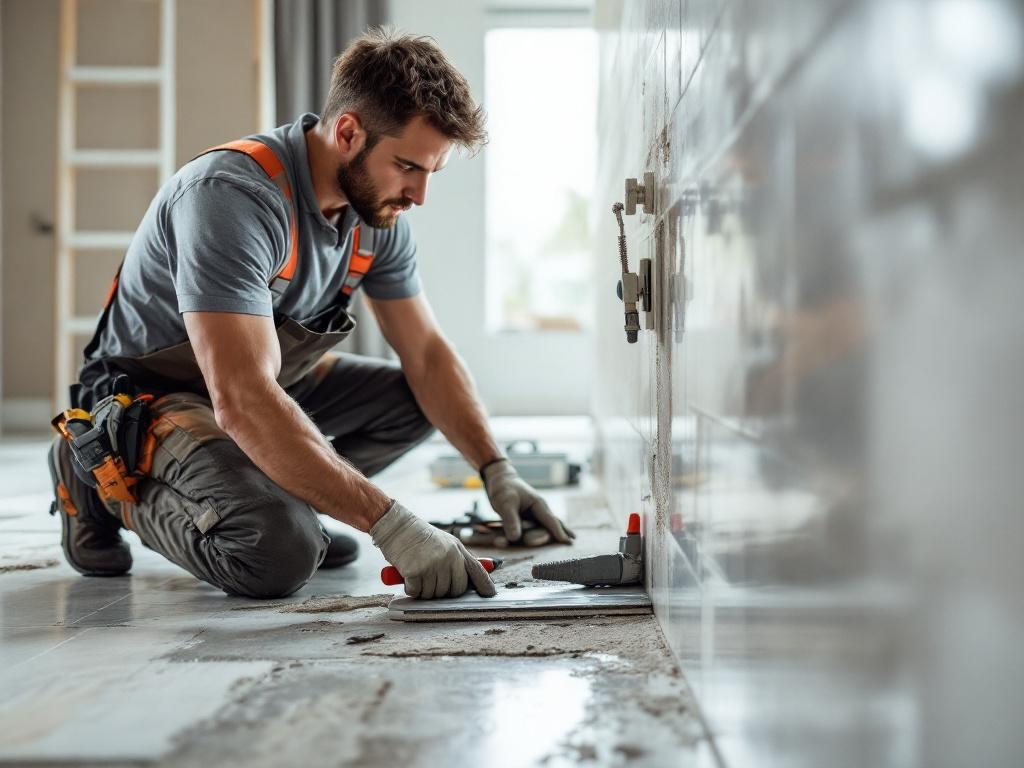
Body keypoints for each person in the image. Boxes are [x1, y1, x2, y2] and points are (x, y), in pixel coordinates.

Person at [47, 28, 574, 601]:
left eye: (430, 173)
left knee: (414, 402)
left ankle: (281, 492)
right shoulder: (232, 197)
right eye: (407, 167)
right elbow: (242, 397)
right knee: (275, 550)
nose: (419, 195)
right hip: (151, 397)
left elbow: (426, 355)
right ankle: (97, 474)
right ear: (347, 131)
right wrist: (391, 524)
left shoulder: (375, 213)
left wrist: (495, 467)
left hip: (252, 384)